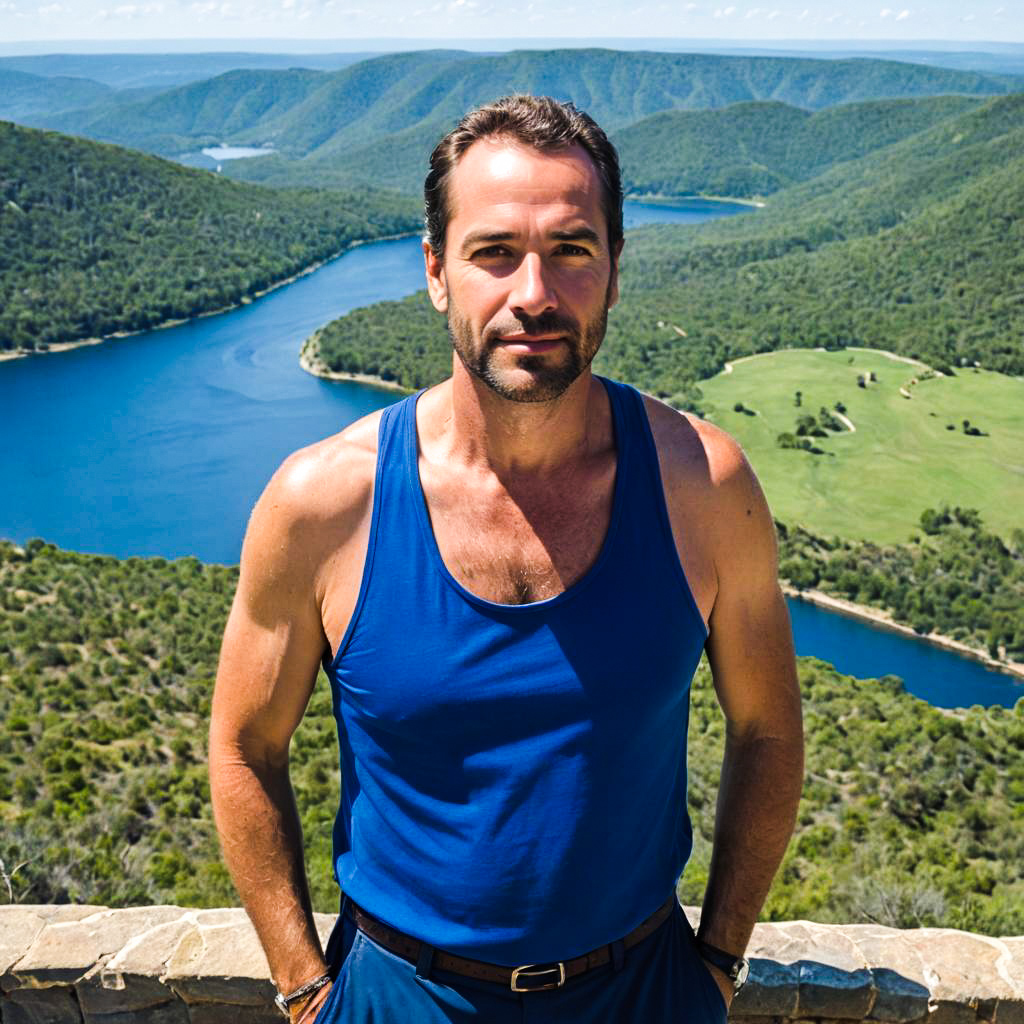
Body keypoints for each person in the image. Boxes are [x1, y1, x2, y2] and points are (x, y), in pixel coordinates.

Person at [209, 94, 804, 1024]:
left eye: (572, 250)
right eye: (495, 253)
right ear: (438, 272)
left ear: (613, 272)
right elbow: (244, 748)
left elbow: (768, 731)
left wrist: (717, 961)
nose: (535, 292)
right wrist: (304, 989)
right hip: (397, 995)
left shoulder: (704, 485)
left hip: (643, 991)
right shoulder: (326, 503)